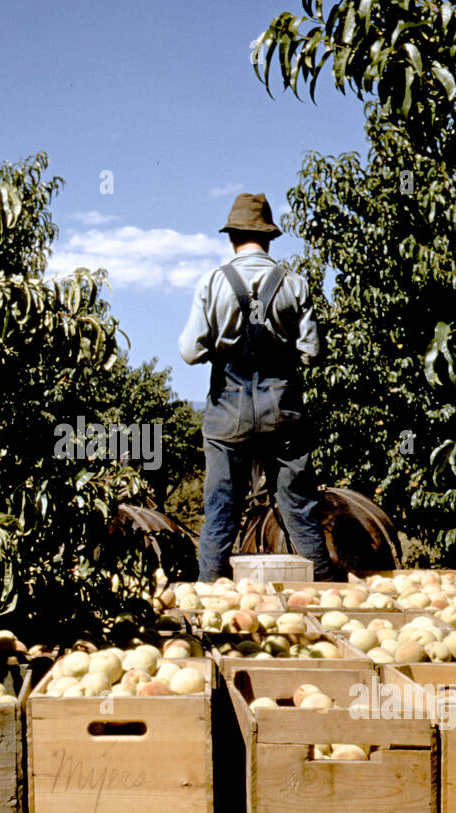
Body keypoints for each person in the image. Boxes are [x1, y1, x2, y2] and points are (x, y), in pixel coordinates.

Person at [178, 192, 336, 582]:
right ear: (268, 239)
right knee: (299, 506)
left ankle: (210, 595)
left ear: (232, 236)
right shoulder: (294, 283)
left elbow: (189, 352)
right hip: (283, 411)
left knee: (221, 507)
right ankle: (329, 591)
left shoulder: (213, 281)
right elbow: (313, 353)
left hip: (228, 413)